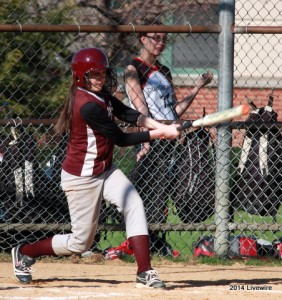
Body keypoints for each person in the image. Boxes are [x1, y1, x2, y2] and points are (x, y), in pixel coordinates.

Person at [11, 47, 181, 289]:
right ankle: (24, 251)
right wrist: (160, 133)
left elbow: (125, 112)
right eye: (95, 74)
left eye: (103, 73)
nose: (101, 79)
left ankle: (145, 271)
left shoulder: (100, 94)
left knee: (134, 204)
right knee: (81, 243)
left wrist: (156, 124)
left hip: (106, 169)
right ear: (81, 76)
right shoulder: (86, 105)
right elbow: (120, 139)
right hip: (82, 178)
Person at [124, 21, 213, 255]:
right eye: (155, 38)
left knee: (162, 194)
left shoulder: (163, 71)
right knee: (147, 193)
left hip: (169, 140)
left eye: (163, 39)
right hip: (151, 137)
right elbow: (139, 108)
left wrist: (197, 87)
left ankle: (155, 244)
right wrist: (145, 137)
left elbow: (174, 111)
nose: (160, 43)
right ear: (143, 39)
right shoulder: (134, 69)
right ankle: (139, 242)